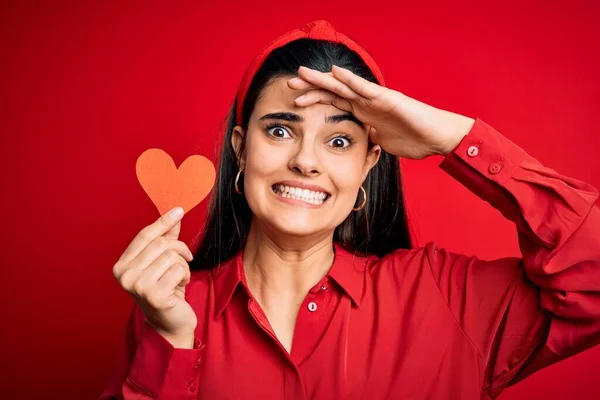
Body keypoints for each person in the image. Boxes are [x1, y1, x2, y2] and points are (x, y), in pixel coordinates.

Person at [100, 20, 600, 400]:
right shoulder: (172, 309)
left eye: (339, 140)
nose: (305, 160)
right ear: (241, 148)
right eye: (279, 130)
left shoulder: (452, 299)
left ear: (368, 166)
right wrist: (169, 343)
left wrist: (455, 139)